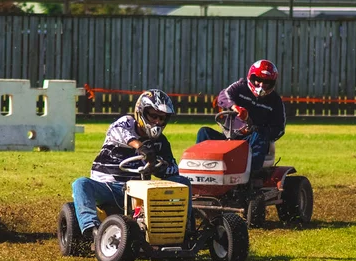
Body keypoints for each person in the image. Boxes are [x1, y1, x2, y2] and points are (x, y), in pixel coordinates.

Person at [72, 89, 193, 239]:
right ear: (141, 112)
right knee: (81, 184)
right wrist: (140, 147)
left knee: (182, 182)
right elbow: (118, 132)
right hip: (109, 186)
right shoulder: (126, 123)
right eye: (154, 116)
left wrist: (159, 166)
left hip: (139, 191)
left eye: (162, 118)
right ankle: (92, 230)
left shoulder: (161, 142)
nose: (158, 122)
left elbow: (173, 169)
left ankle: (184, 228)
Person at [195, 59, 286, 172]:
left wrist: (255, 129)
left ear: (272, 83)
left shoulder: (275, 101)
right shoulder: (240, 87)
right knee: (204, 132)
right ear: (251, 77)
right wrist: (235, 107)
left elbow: (280, 129)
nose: (261, 85)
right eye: (258, 80)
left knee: (259, 135)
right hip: (229, 138)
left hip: (251, 142)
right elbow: (224, 96)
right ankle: (201, 170)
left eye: (266, 82)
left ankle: (248, 176)